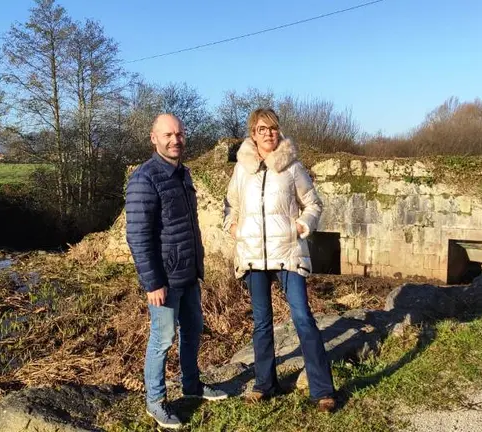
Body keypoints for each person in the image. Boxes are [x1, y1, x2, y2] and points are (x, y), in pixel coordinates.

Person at [223, 108, 336, 413]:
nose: (268, 134)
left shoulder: (292, 166)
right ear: (253, 133)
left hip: (287, 252)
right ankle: (264, 384)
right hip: (253, 255)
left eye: (272, 128)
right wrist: (233, 227)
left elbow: (313, 203)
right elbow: (230, 204)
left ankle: (322, 389)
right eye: (262, 129)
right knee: (261, 323)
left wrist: (301, 226)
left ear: (278, 131)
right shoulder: (241, 169)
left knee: (302, 317)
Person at [126, 113, 227, 430]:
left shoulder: (182, 174)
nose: (175, 139)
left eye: (180, 134)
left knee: (194, 330)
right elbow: (138, 236)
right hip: (165, 281)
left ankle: (192, 386)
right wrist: (153, 282)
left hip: (187, 275)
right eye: (168, 134)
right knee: (162, 338)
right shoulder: (145, 178)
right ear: (153, 138)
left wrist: (197, 266)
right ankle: (155, 402)